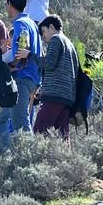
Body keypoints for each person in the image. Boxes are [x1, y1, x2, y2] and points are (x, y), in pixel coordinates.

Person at [16, 14, 78, 142]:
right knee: (63, 136)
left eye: (43, 32)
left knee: (39, 130)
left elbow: (49, 64)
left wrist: (29, 55)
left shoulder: (56, 39)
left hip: (55, 94)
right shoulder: (70, 44)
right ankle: (65, 161)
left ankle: (34, 160)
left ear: (51, 27)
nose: (43, 37)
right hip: (67, 96)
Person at [0, 0, 42, 150]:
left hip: (22, 78)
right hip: (31, 77)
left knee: (20, 123)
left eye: (7, 5)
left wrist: (10, 66)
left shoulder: (20, 24)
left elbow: (22, 48)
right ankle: (4, 154)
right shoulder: (31, 23)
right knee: (1, 120)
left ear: (10, 5)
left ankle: (29, 159)